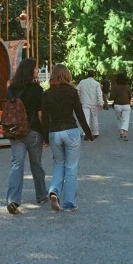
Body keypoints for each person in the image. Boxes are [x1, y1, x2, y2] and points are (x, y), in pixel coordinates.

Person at [41, 63, 93, 212]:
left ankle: (54, 190)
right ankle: (69, 203)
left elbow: (45, 118)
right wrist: (88, 133)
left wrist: (45, 138)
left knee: (58, 164)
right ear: (66, 75)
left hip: (54, 132)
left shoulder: (47, 94)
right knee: (71, 167)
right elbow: (79, 114)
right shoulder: (72, 92)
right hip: (70, 130)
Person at [5, 58, 47, 214]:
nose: (37, 71)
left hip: (15, 130)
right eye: (36, 68)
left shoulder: (12, 88)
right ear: (30, 71)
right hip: (33, 130)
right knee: (36, 163)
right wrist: (46, 133)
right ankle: (41, 194)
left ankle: (13, 199)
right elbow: (40, 113)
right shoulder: (37, 90)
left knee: (17, 164)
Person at [77, 70, 103, 138]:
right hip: (94, 103)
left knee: (86, 118)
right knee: (94, 118)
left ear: (87, 75)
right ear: (94, 75)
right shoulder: (96, 83)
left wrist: (79, 98)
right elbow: (99, 94)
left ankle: (86, 133)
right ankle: (95, 132)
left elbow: (77, 90)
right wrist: (101, 102)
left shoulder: (82, 82)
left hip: (85, 102)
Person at [111, 73, 132, 141]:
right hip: (126, 105)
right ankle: (125, 132)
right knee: (126, 119)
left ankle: (121, 133)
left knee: (119, 119)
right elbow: (129, 97)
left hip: (117, 105)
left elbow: (112, 97)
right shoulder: (127, 87)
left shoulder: (114, 87)